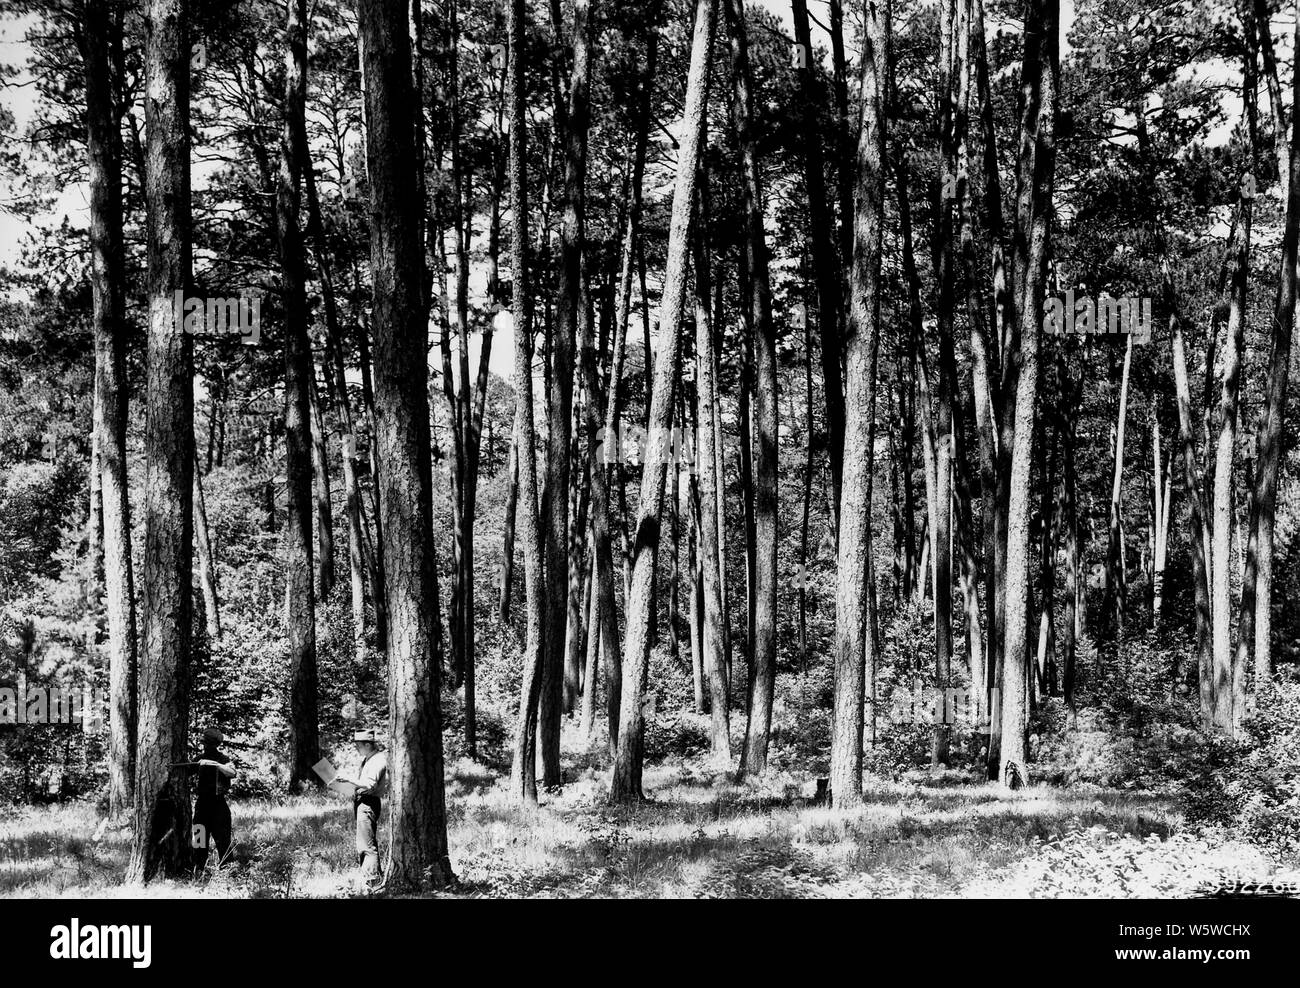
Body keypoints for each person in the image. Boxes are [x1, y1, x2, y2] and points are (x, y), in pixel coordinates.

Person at [332, 729, 388, 885]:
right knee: (364, 842)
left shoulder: (378, 760)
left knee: (366, 845)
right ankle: (372, 878)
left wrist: (348, 779)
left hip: (368, 803)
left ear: (368, 745)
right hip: (362, 801)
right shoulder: (368, 759)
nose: (356, 748)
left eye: (358, 745)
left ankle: (372, 881)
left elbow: (370, 784)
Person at [190, 726, 237, 869]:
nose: (206, 746)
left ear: (216, 745)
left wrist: (215, 765)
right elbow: (186, 771)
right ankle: (197, 871)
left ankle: (227, 873)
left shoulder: (223, 759)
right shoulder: (199, 759)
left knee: (223, 843)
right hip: (201, 806)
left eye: (209, 744)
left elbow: (232, 773)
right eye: (205, 743)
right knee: (199, 842)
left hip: (219, 806)